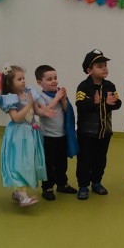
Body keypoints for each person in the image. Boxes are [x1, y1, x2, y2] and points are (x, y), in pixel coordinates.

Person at [75, 49, 121, 200]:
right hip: (86, 133)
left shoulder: (110, 86)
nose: (104, 68)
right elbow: (80, 105)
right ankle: (83, 185)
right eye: (99, 66)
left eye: (105, 65)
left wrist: (110, 102)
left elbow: (118, 103)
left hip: (104, 131)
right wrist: (96, 102)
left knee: (100, 159)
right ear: (89, 70)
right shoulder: (83, 86)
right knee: (85, 159)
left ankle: (96, 182)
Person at [0, 65, 47, 207]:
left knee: (29, 163)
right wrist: (28, 105)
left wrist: (47, 110)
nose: (23, 81)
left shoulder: (28, 92)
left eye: (23, 78)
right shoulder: (10, 98)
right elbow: (16, 118)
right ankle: (22, 196)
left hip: (31, 133)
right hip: (19, 135)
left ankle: (18, 192)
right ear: (9, 82)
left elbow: (36, 111)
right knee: (20, 164)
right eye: (19, 79)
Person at [32, 64, 77, 201]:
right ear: (39, 82)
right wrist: (57, 98)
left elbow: (66, 110)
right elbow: (44, 111)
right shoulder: (40, 97)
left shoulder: (58, 93)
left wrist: (63, 99)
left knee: (61, 163)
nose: (54, 81)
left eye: (55, 78)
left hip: (61, 135)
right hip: (48, 137)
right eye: (49, 79)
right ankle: (47, 187)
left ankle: (62, 184)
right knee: (49, 164)